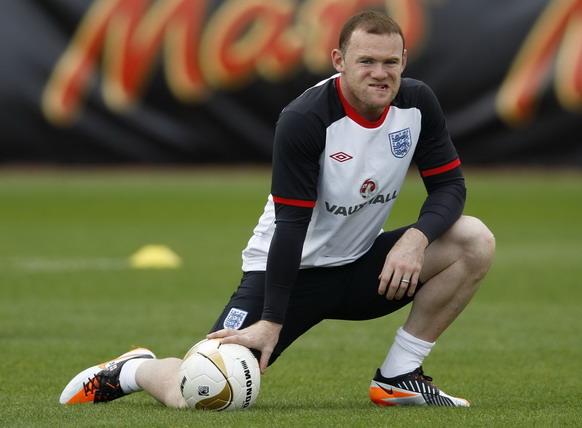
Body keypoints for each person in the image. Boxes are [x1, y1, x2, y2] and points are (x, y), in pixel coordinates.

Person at [59, 10, 495, 408]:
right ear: (339, 60)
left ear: (404, 61)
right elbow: (292, 223)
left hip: (363, 267)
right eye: (366, 62)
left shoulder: (417, 103)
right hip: (285, 273)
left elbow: (450, 187)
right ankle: (135, 369)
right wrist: (271, 319)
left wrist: (416, 240)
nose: (380, 74)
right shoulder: (305, 118)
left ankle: (399, 376)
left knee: (472, 239)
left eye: (391, 63)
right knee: (205, 393)